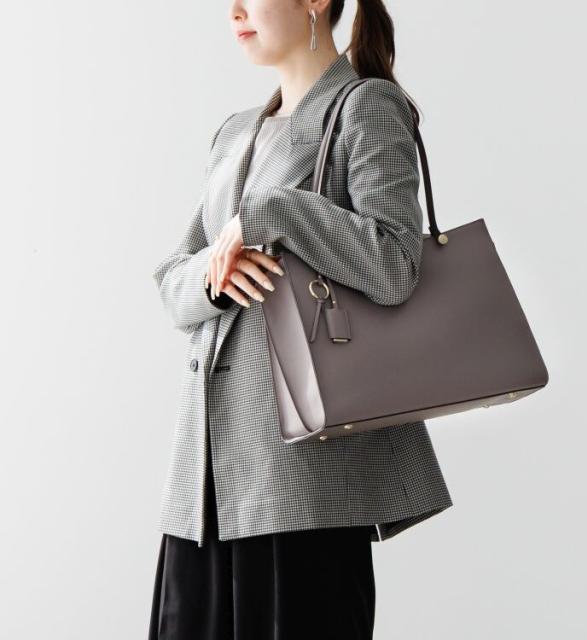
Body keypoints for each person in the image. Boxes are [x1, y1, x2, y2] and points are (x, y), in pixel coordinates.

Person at [148, 1, 454, 638]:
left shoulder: (365, 106)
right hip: (203, 489)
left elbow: (396, 264)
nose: (234, 10)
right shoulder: (235, 132)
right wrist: (213, 278)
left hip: (303, 486)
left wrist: (277, 210)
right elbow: (173, 282)